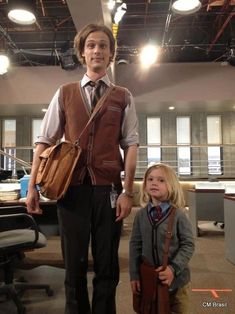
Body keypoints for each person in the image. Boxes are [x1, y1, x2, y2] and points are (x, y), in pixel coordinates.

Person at [26, 23, 139, 314]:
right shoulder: (64, 93)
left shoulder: (123, 96)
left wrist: (127, 192)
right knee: (73, 267)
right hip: (71, 190)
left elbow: (131, 145)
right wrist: (33, 187)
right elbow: (43, 141)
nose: (97, 50)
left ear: (111, 53)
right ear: (82, 53)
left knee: (107, 266)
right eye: (91, 45)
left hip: (108, 191)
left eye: (103, 45)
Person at [129, 163, 194, 314]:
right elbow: (135, 246)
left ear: (171, 186)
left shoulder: (179, 215)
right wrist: (134, 275)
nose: (154, 183)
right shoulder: (140, 215)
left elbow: (188, 245)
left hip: (177, 283)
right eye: (150, 179)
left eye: (161, 180)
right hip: (149, 280)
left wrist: (173, 269)